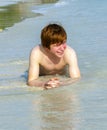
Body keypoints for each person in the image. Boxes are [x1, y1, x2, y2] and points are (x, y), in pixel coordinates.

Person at [27, 23, 81, 89]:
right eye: (57, 45)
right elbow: (31, 81)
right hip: (42, 76)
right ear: (46, 47)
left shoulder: (70, 53)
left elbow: (76, 79)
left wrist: (61, 83)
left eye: (63, 42)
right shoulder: (37, 53)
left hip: (62, 78)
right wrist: (44, 84)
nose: (62, 48)